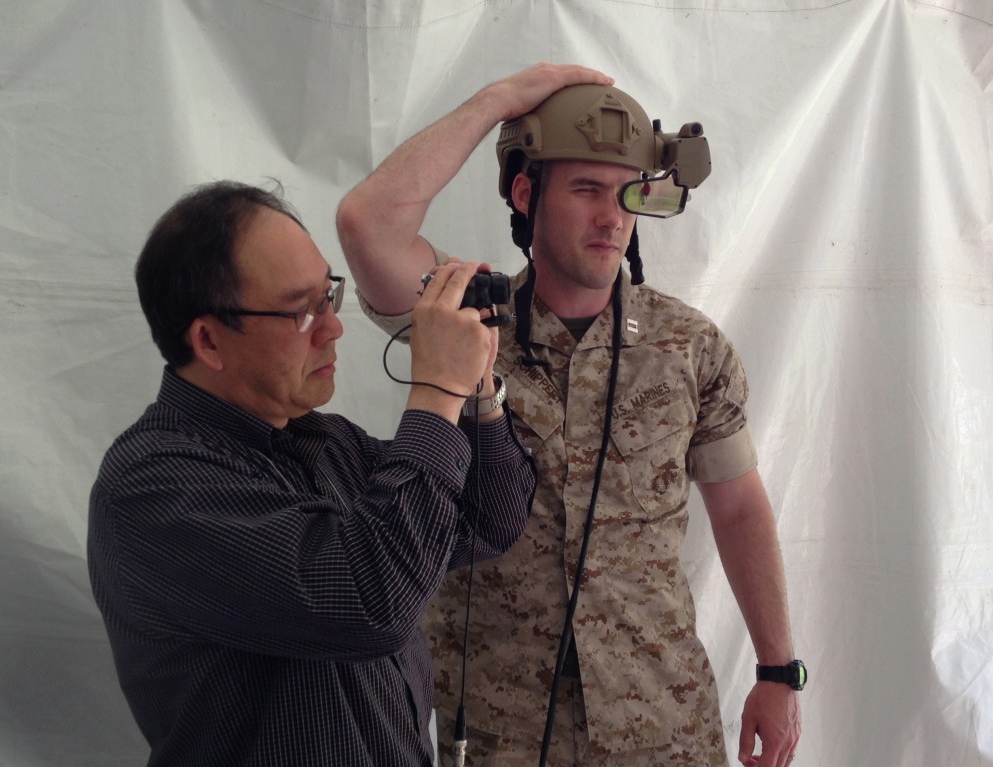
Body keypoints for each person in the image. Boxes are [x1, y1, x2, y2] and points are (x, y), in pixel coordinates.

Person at [336, 63, 804, 766]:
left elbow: (738, 507)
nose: (612, 217)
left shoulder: (690, 347)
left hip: (661, 723)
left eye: (627, 194)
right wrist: (500, 101)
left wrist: (776, 668)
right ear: (527, 193)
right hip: (501, 729)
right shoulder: (463, 322)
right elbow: (367, 222)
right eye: (586, 190)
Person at [87, 180, 536, 766]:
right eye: (302, 310)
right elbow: (371, 602)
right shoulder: (150, 486)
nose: (334, 327)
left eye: (329, 296)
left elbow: (488, 519)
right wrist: (434, 390)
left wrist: (477, 393)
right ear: (208, 341)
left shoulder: (322, 441)